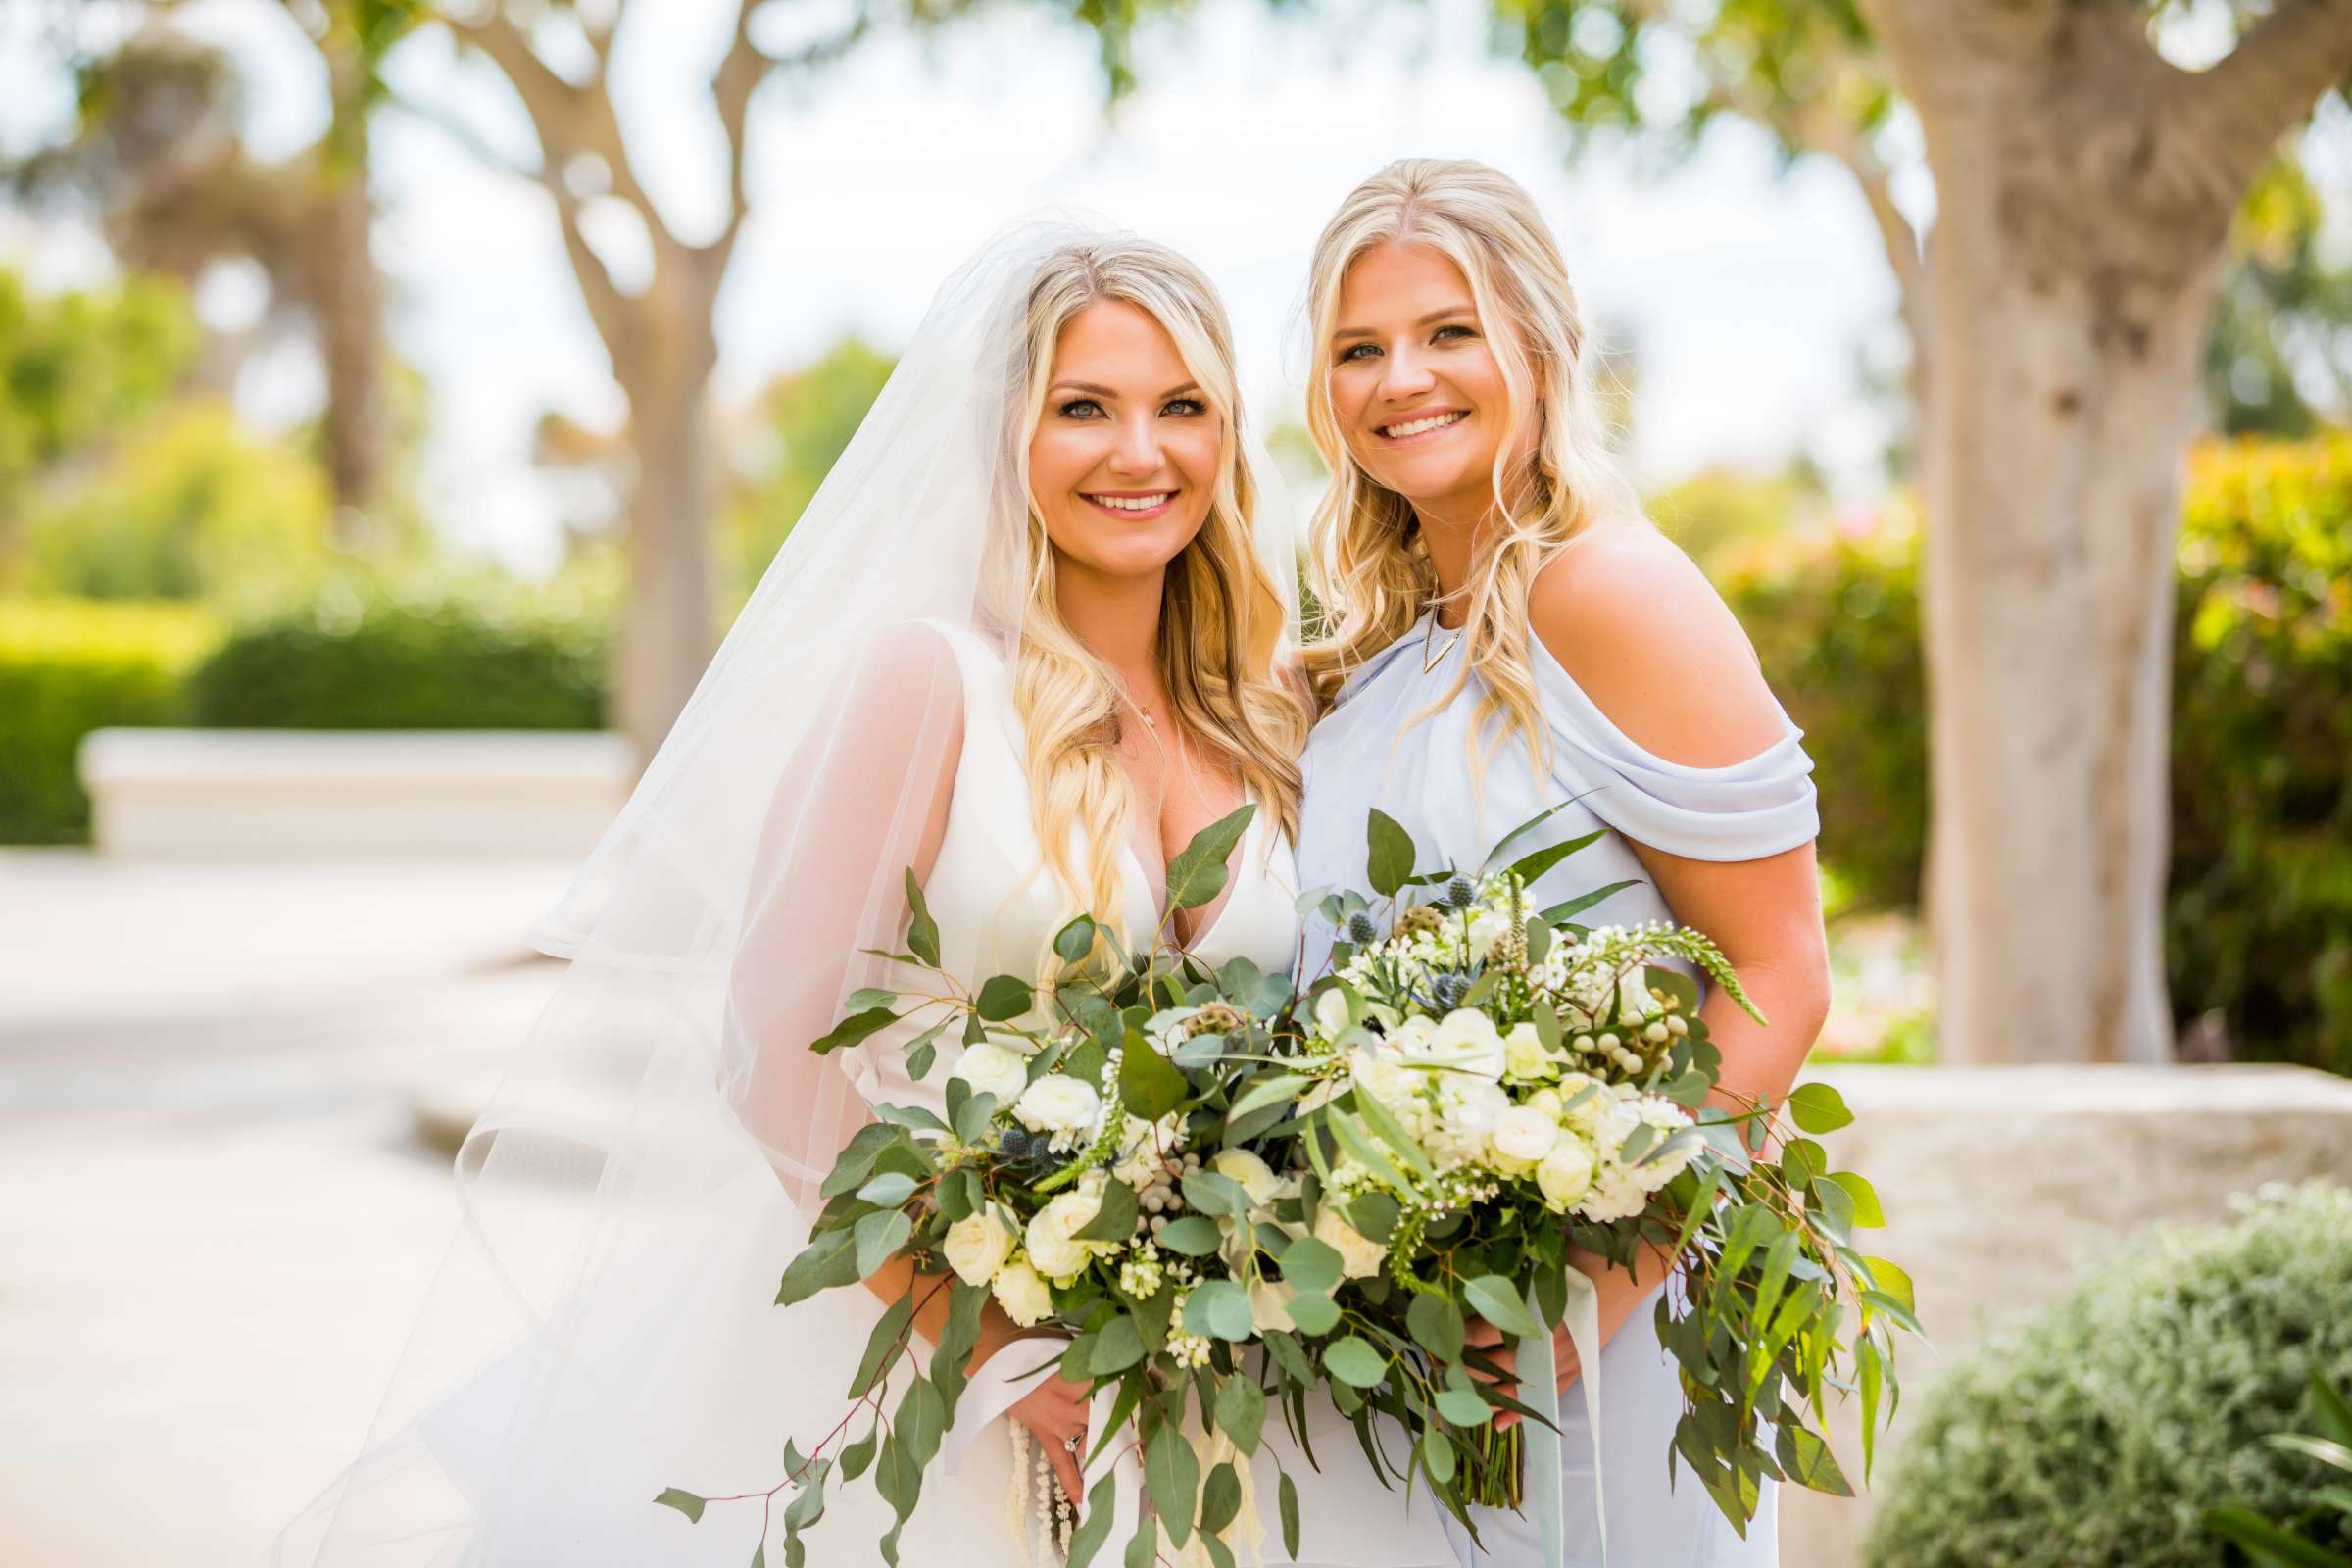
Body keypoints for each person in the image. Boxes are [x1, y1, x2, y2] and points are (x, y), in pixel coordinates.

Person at [277, 219, 1448, 1567]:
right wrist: (987, 1342)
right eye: (1086, 408)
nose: (1141, 452)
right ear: (1007, 436)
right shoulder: (928, 682)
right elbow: (772, 1053)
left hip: (1220, 1375)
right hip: (936, 1373)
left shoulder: (1268, 711)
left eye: (1182, 407)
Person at [1292, 158, 1833, 1567]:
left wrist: (1601, 1279)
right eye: (1359, 348)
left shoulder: (1610, 594)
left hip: (1602, 1336)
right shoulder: (1377, 652)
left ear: (1537, 340)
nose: (1400, 376)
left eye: (1446, 331)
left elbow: (1778, 973)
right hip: (1402, 1348)